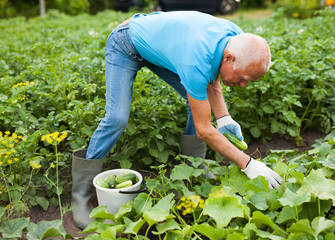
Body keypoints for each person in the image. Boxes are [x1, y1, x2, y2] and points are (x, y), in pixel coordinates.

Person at [71, 11, 283, 229]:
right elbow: (203, 129)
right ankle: (80, 196)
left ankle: (194, 167)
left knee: (197, 103)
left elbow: (212, 78)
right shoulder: (196, 59)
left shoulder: (236, 39)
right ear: (229, 58)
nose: (243, 85)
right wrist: (247, 163)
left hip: (161, 43)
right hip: (126, 43)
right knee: (116, 118)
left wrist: (224, 118)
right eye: (243, 78)